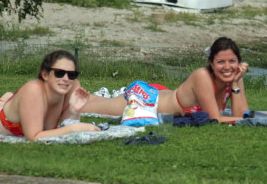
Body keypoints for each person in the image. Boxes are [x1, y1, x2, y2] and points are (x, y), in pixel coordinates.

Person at [82, 37, 250, 123]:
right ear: (212, 64)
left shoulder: (234, 77)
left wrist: (235, 84)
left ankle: (85, 95)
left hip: (161, 94)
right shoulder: (203, 76)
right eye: (221, 62)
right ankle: (65, 94)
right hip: (146, 103)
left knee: (95, 101)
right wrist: (251, 120)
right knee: (81, 108)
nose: (227, 67)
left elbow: (241, 115)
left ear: (238, 62)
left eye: (232, 61)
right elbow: (215, 120)